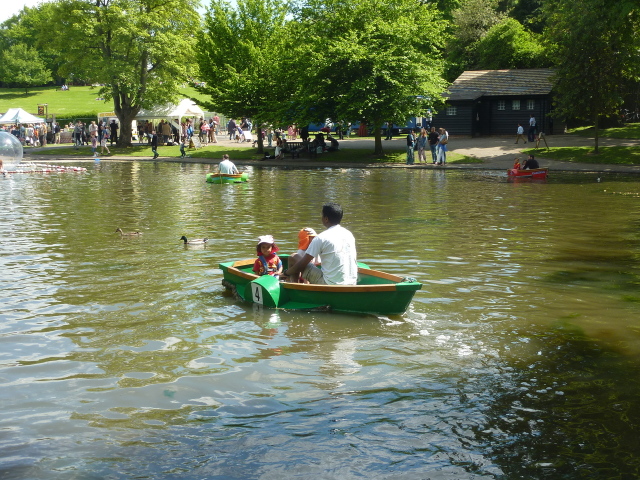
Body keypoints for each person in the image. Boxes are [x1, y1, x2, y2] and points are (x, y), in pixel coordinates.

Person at [284, 203, 357, 285]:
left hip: (329, 284)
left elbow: (302, 264)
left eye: (322, 215)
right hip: (352, 284)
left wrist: (286, 273)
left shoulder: (321, 237)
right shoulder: (349, 234)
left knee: (293, 257)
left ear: (326, 219)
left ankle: (294, 288)